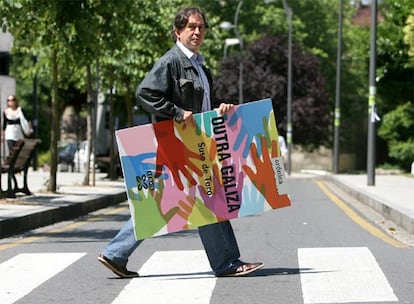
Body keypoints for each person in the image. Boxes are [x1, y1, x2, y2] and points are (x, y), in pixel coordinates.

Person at [98, 6, 264, 279]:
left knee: (160, 204)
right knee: (208, 201)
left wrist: (220, 108)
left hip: (199, 143)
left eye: (200, 27)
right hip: (180, 144)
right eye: (191, 27)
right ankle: (227, 263)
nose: (197, 31)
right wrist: (177, 112)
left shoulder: (201, 67)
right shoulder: (172, 61)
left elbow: (205, 105)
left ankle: (115, 254)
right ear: (177, 31)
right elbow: (145, 93)